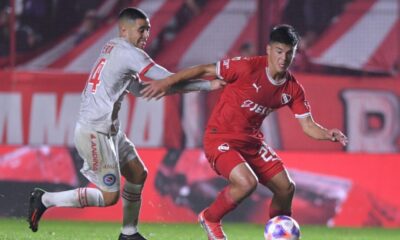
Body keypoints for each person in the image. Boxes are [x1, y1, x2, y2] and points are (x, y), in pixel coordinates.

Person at [27, 7, 224, 240]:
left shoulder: (113, 47)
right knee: (110, 197)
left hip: (110, 130)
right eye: (141, 30)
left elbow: (140, 90)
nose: (146, 35)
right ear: (124, 30)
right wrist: (206, 84)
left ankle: (128, 233)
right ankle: (45, 199)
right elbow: (166, 78)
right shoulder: (130, 54)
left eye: (148, 30)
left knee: (138, 174)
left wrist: (200, 86)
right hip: (94, 131)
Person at [141, 24, 348, 240]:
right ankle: (211, 217)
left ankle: (278, 234)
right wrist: (166, 82)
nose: (283, 58)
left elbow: (308, 126)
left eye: (289, 53)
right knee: (247, 183)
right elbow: (203, 69)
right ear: (269, 50)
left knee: (286, 188)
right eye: (279, 51)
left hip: (252, 142)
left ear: (295, 53)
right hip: (220, 137)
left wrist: (327, 133)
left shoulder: (292, 89)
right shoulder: (247, 68)